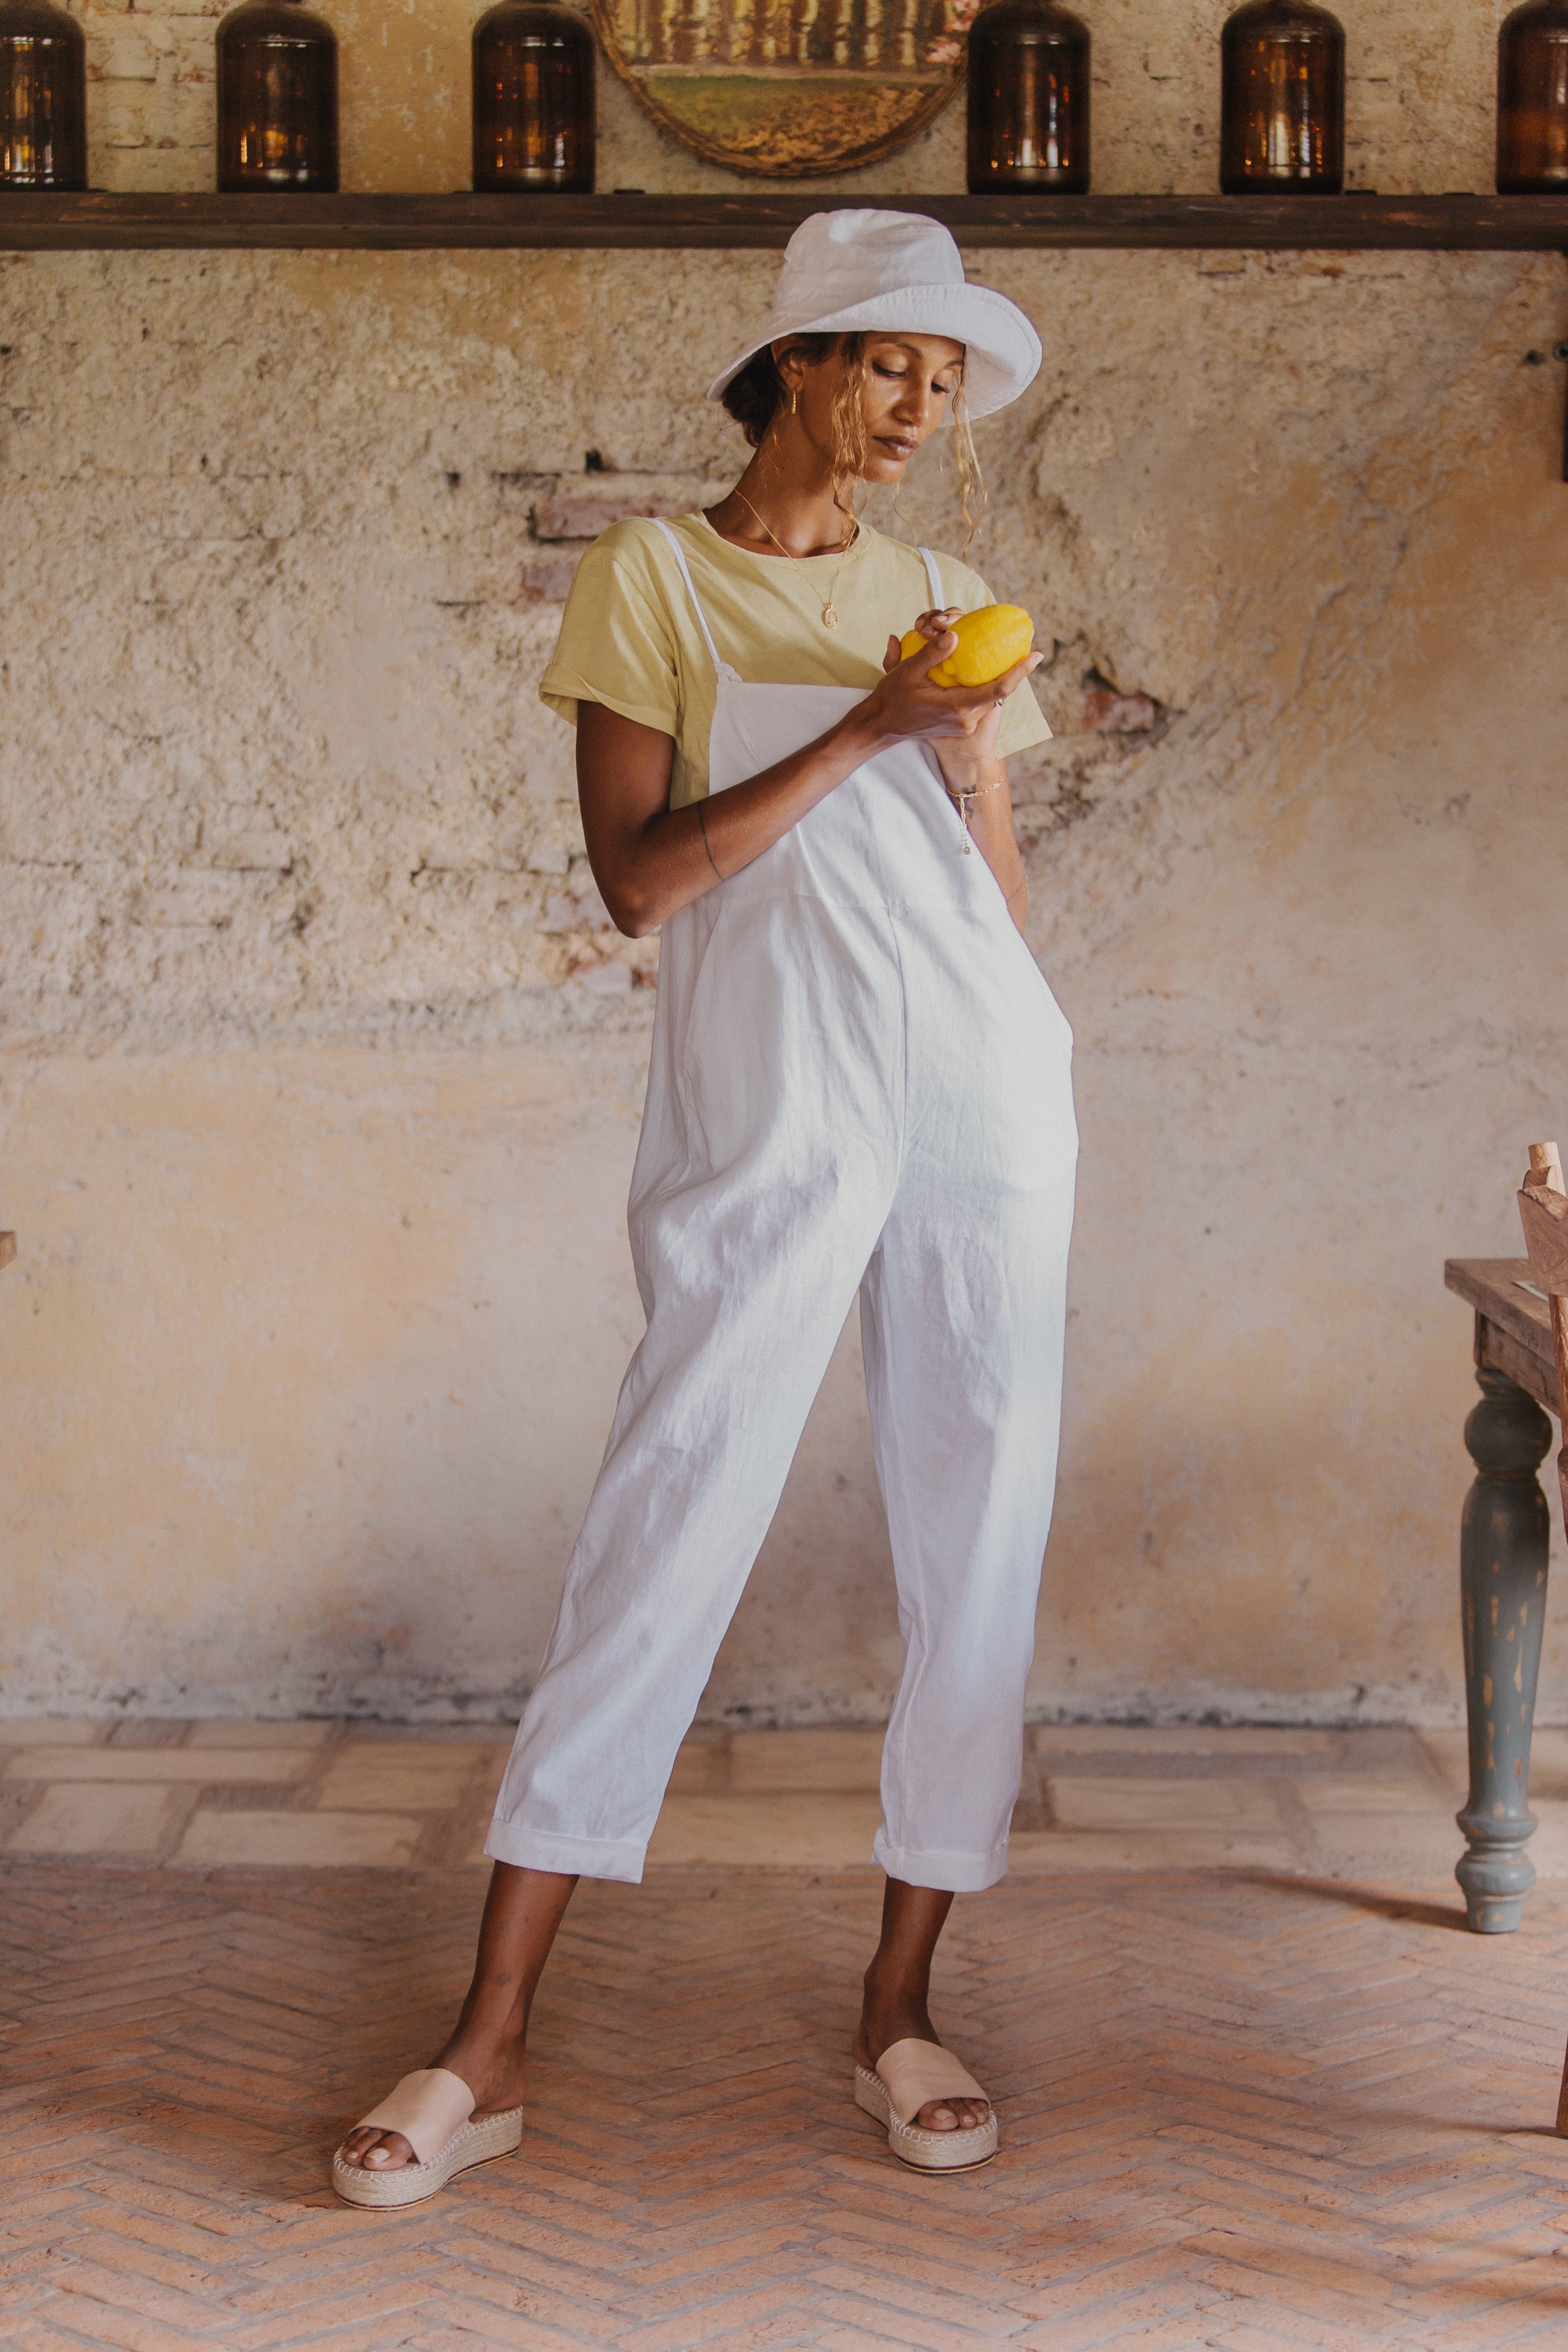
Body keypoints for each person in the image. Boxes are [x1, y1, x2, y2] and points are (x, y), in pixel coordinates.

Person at [334, 207, 1078, 2207]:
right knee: (666, 1512)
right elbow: (641, 882)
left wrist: (953, 750)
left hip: (982, 1091)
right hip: (777, 1103)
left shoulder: (952, 600)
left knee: (982, 1522)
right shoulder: (653, 575)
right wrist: (867, 727)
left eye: (944, 379)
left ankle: (900, 2003)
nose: (918, 407)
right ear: (799, 365)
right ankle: (485, 2039)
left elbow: (996, 896)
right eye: (889, 365)